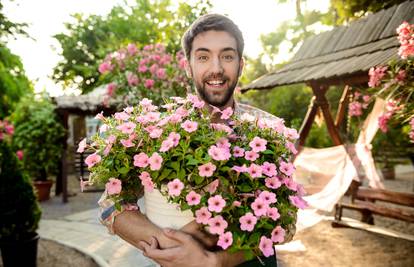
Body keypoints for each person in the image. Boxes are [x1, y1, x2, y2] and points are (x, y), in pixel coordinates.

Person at [99, 13, 295, 267]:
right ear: (188, 66)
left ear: (241, 65)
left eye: (227, 56)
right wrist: (174, 248)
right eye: (203, 57)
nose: (216, 68)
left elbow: (286, 223)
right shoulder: (155, 130)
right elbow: (111, 206)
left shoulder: (270, 129)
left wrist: (213, 261)